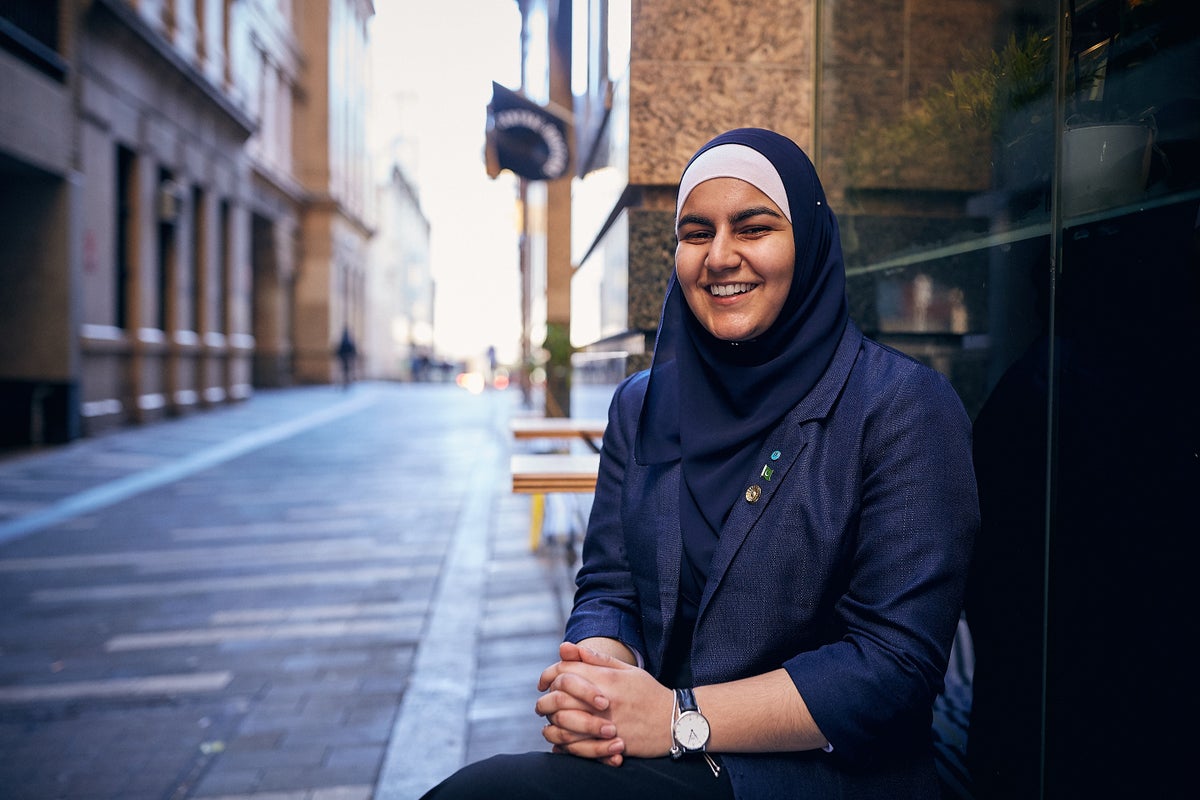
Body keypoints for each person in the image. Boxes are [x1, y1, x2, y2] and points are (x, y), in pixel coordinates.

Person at [421, 128, 978, 799]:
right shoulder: (643, 405)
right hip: (664, 761)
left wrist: (680, 717)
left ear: (808, 243)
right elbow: (609, 587)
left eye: (753, 227)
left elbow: (893, 666)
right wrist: (598, 674)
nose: (719, 256)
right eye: (695, 232)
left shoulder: (902, 408)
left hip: (824, 778)